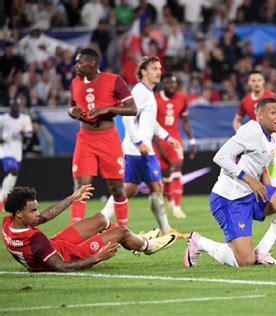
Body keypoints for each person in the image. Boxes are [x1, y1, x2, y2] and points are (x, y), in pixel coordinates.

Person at [183, 98, 276, 268]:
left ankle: (262, 252)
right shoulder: (251, 130)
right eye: (273, 112)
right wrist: (251, 181)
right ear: (260, 116)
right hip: (229, 199)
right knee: (245, 262)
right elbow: (220, 157)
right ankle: (199, 241)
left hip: (253, 194)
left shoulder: (272, 140)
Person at [1, 184, 177, 272]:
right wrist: (97, 257)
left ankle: (134, 241)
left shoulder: (8, 224)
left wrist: (72, 198)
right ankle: (148, 246)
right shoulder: (35, 239)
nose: (37, 213)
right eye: (33, 210)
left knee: (100, 219)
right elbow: (62, 267)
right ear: (18, 213)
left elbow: (44, 216)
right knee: (121, 232)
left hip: (55, 245)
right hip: (70, 254)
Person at [101, 56, 183, 237]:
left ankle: (165, 230)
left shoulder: (148, 92)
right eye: (154, 68)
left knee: (155, 186)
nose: (158, 71)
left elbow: (150, 122)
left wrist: (167, 136)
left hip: (145, 149)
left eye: (159, 68)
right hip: (136, 150)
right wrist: (138, 142)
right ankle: (102, 219)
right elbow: (127, 118)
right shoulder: (139, 91)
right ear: (143, 72)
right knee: (130, 189)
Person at [68, 48, 137, 226]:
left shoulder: (113, 80)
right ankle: (75, 231)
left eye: (79, 62)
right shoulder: (75, 83)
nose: (76, 66)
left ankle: (123, 228)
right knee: (81, 187)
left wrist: (108, 108)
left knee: (116, 188)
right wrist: (71, 111)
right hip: (85, 138)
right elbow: (72, 105)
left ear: (92, 63)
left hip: (108, 138)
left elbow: (132, 109)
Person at [154, 73, 196, 219]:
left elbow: (184, 121)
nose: (171, 86)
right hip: (158, 141)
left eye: (173, 83)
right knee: (165, 175)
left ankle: (177, 207)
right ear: (162, 84)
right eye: (167, 83)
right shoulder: (154, 98)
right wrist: (158, 147)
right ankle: (171, 201)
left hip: (175, 139)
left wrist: (191, 141)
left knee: (177, 169)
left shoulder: (181, 98)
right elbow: (150, 124)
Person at [0, 97, 33, 211]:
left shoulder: (25, 119)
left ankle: (4, 198)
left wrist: (23, 133)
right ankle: (1, 200)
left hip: (17, 151)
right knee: (12, 170)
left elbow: (29, 135)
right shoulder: (3, 118)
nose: (16, 108)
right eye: (14, 106)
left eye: (18, 106)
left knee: (13, 176)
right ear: (10, 107)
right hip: (5, 150)